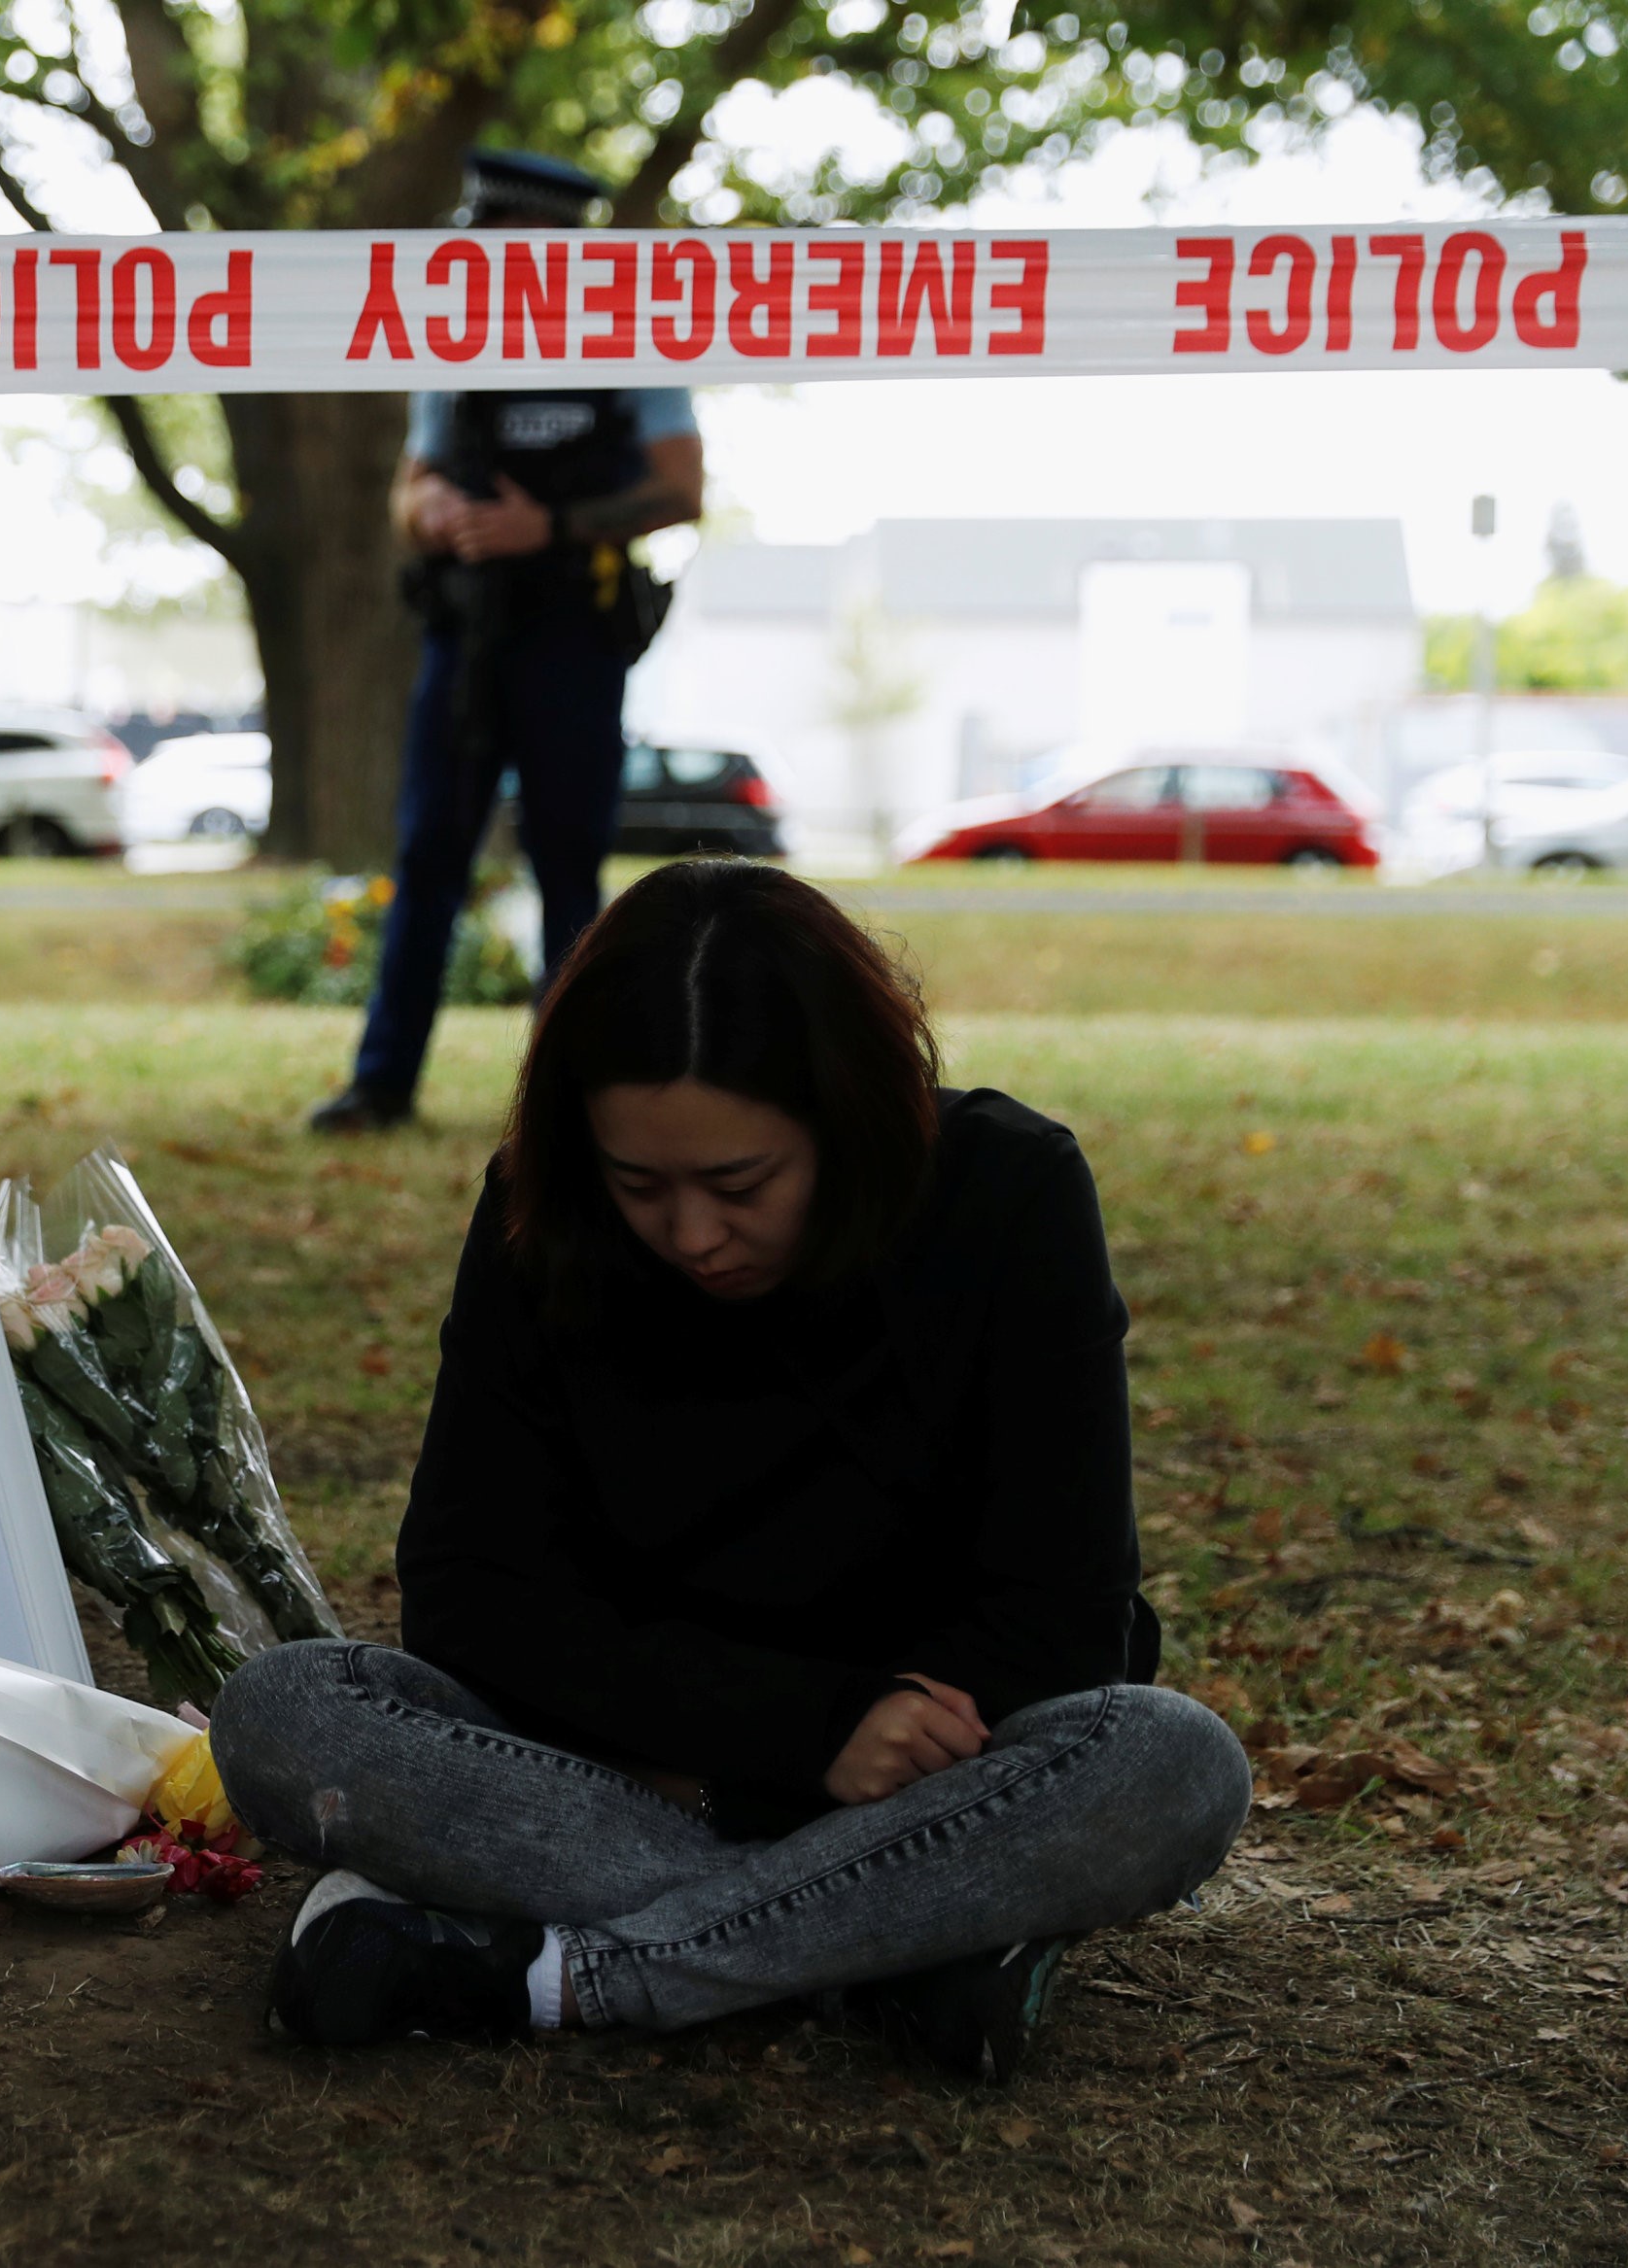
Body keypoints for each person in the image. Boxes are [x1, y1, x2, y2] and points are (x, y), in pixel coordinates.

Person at [217, 861, 1250, 2080]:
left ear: (846, 1119)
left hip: (929, 1766)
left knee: (1169, 1764)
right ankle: (903, 1943)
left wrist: (865, 1745)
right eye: (638, 1185)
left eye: (739, 1184)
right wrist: (796, 1742)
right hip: (617, 1760)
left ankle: (549, 1970)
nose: (693, 1237)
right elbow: (470, 1592)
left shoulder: (1008, 1194)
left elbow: (1065, 1610)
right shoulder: (537, 1217)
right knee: (283, 1711)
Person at [310, 148, 707, 1137]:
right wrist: (432, 510)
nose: (475, 255)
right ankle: (381, 1084)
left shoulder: (630, 342)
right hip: (465, 639)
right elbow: (407, 492)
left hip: (573, 634)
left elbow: (680, 489)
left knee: (567, 862)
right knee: (427, 856)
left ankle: (568, 1102)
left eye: (495, 241)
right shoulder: (450, 344)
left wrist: (553, 528)